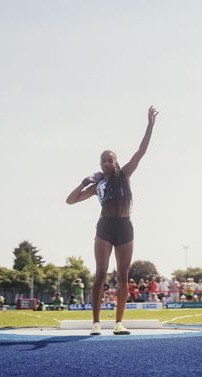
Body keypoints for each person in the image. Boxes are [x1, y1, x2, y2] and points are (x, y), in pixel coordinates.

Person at [66, 106, 159, 335]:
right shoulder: (97, 185)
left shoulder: (125, 174)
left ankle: (118, 323)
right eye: (103, 160)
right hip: (105, 227)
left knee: (123, 276)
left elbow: (141, 151)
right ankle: (96, 323)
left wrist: (150, 125)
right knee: (100, 274)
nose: (107, 162)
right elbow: (70, 200)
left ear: (116, 163)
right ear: (100, 165)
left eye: (110, 159)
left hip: (125, 227)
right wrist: (84, 181)